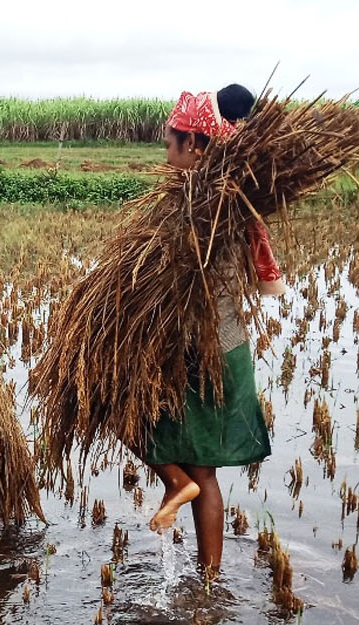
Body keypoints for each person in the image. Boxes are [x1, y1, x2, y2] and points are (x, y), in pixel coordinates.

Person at [144, 85, 278, 577]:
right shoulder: (233, 200)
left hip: (196, 351)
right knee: (207, 471)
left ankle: (176, 483)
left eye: (170, 144)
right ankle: (209, 582)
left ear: (194, 147)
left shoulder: (197, 207)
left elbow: (169, 284)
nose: (166, 153)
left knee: (113, 408)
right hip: (230, 347)